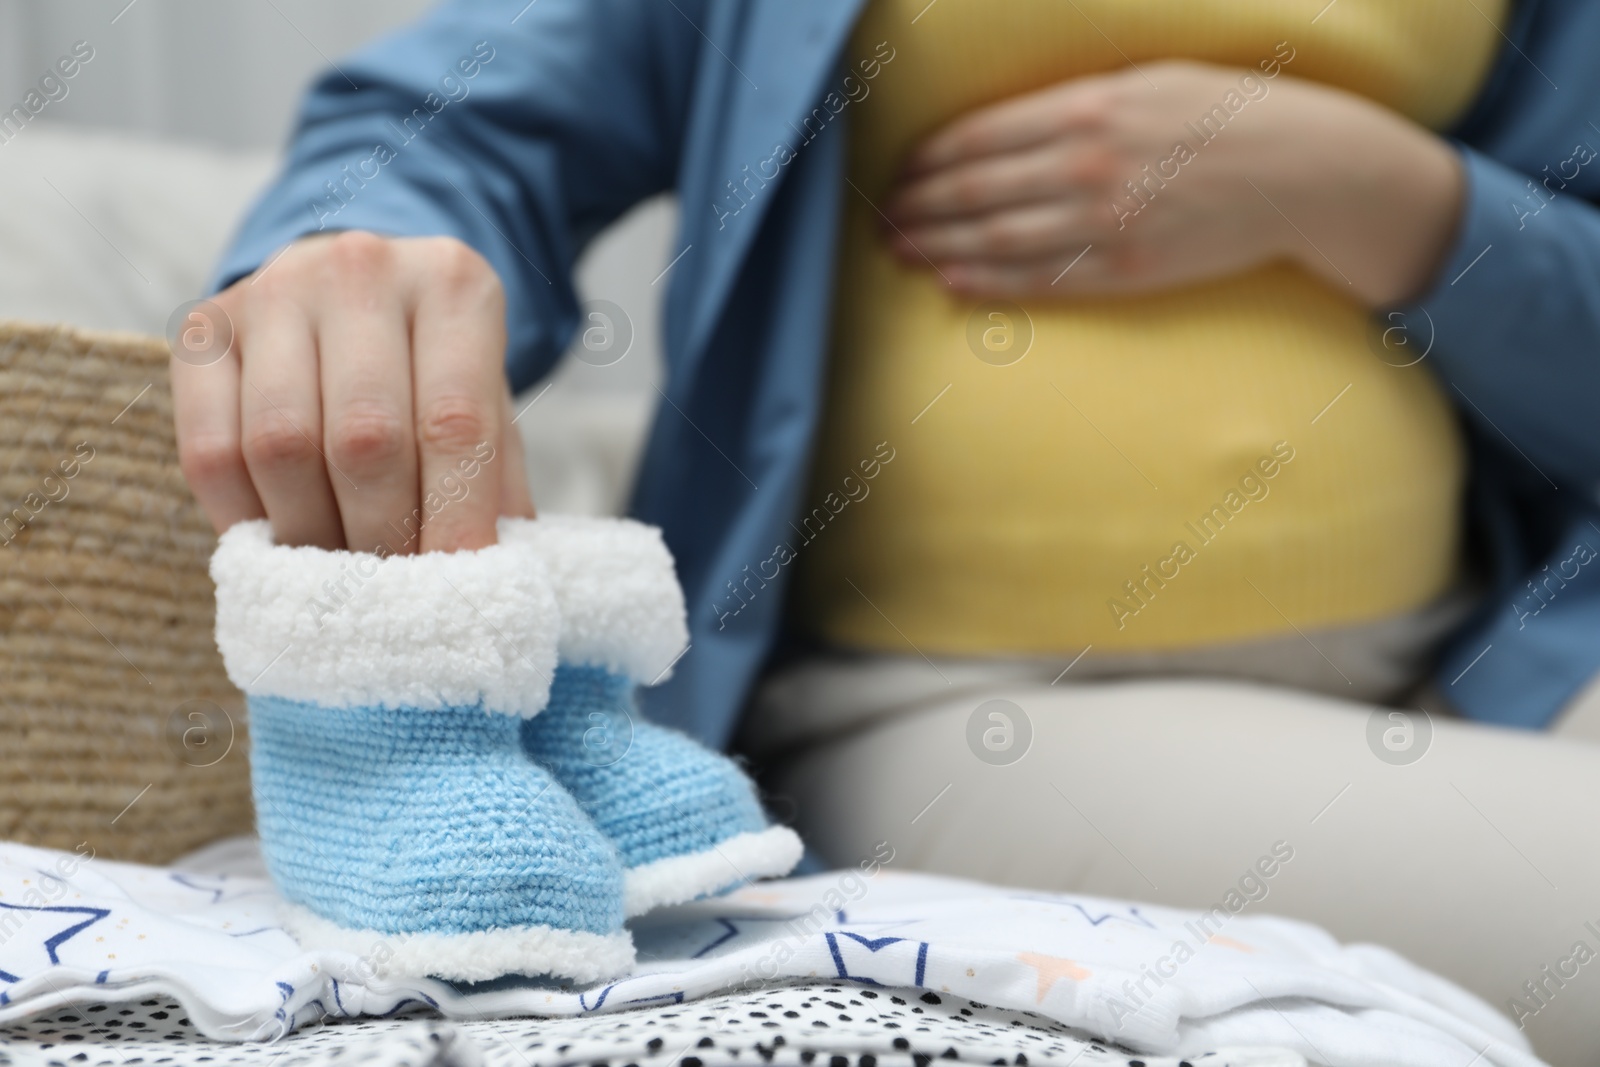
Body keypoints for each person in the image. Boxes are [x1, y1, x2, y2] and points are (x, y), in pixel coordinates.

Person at [186, 1, 1600, 1062]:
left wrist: (1397, 198)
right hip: (972, 697)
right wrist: (338, 260)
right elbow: (473, 112)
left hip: (1514, 636)